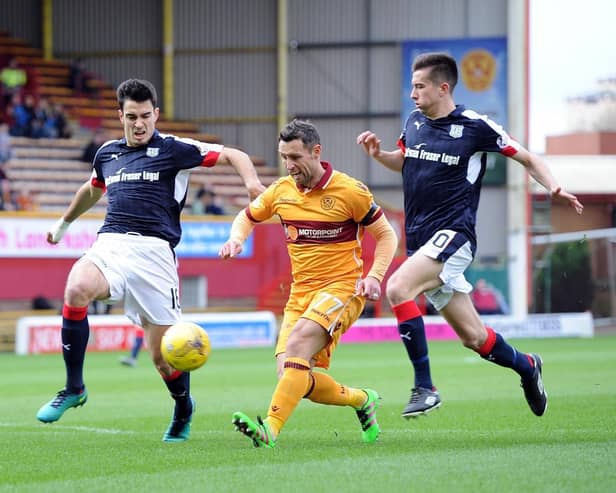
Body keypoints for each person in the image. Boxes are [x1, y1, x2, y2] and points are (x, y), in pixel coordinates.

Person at [36, 78, 265, 442]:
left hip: (156, 256)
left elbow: (232, 154)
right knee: (77, 287)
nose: (139, 123)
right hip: (110, 244)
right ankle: (74, 387)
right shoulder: (107, 154)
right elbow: (92, 189)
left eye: (145, 116)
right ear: (120, 116)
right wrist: (63, 226)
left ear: (156, 114)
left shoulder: (176, 149)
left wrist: (252, 184)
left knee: (163, 359)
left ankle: (183, 407)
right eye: (131, 117)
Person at [357, 52, 583, 419]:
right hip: (422, 242)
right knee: (474, 339)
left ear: (443, 87)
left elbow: (528, 158)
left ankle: (425, 387)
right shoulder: (414, 122)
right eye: (411, 86)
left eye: (419, 86)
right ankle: (528, 367)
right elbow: (404, 160)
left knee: (397, 288)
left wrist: (554, 187)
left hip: (454, 235)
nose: (412, 94)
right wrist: (378, 154)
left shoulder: (476, 126)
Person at [219, 119, 398, 448]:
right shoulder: (281, 191)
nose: (289, 165)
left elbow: (386, 235)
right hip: (300, 295)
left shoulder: (350, 191)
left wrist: (374, 276)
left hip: (342, 289)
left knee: (299, 345)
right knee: (292, 374)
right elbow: (246, 216)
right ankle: (362, 400)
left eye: (296, 157)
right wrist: (236, 240)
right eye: (284, 156)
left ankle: (269, 429)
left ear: (316, 152)